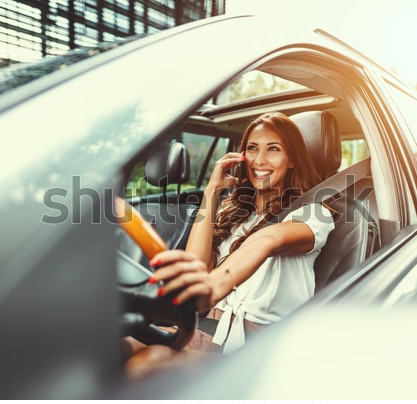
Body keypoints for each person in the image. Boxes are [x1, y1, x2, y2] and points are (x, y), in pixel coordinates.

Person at [125, 112, 334, 375]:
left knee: (148, 364)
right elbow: (197, 267)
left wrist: (214, 285)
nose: (259, 160)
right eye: (252, 148)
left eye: (273, 149)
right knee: (118, 345)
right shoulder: (233, 212)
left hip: (260, 346)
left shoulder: (313, 213)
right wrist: (212, 192)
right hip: (209, 330)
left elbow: (268, 239)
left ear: (292, 159)